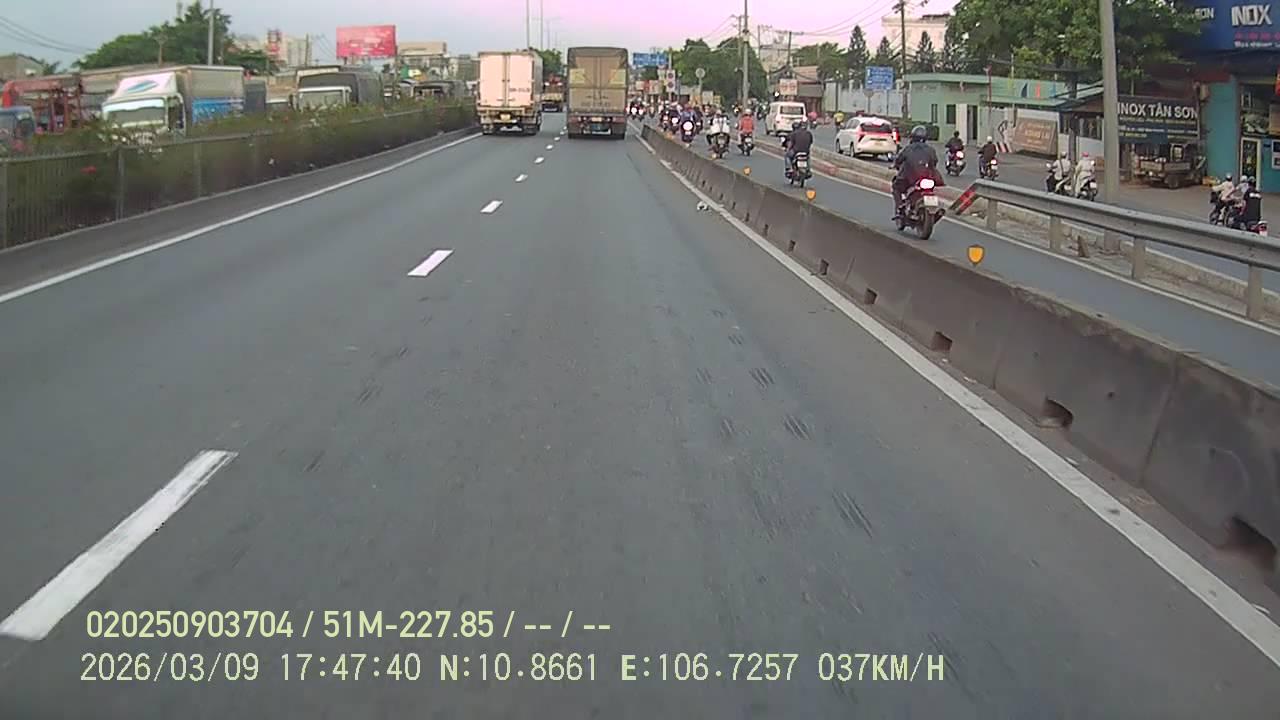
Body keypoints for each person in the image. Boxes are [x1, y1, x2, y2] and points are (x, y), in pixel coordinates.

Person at [892, 125, 941, 218]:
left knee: (896, 187)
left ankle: (899, 207)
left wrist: (896, 165)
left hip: (910, 179)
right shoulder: (931, 150)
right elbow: (934, 162)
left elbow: (899, 160)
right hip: (926, 178)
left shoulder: (908, 149)